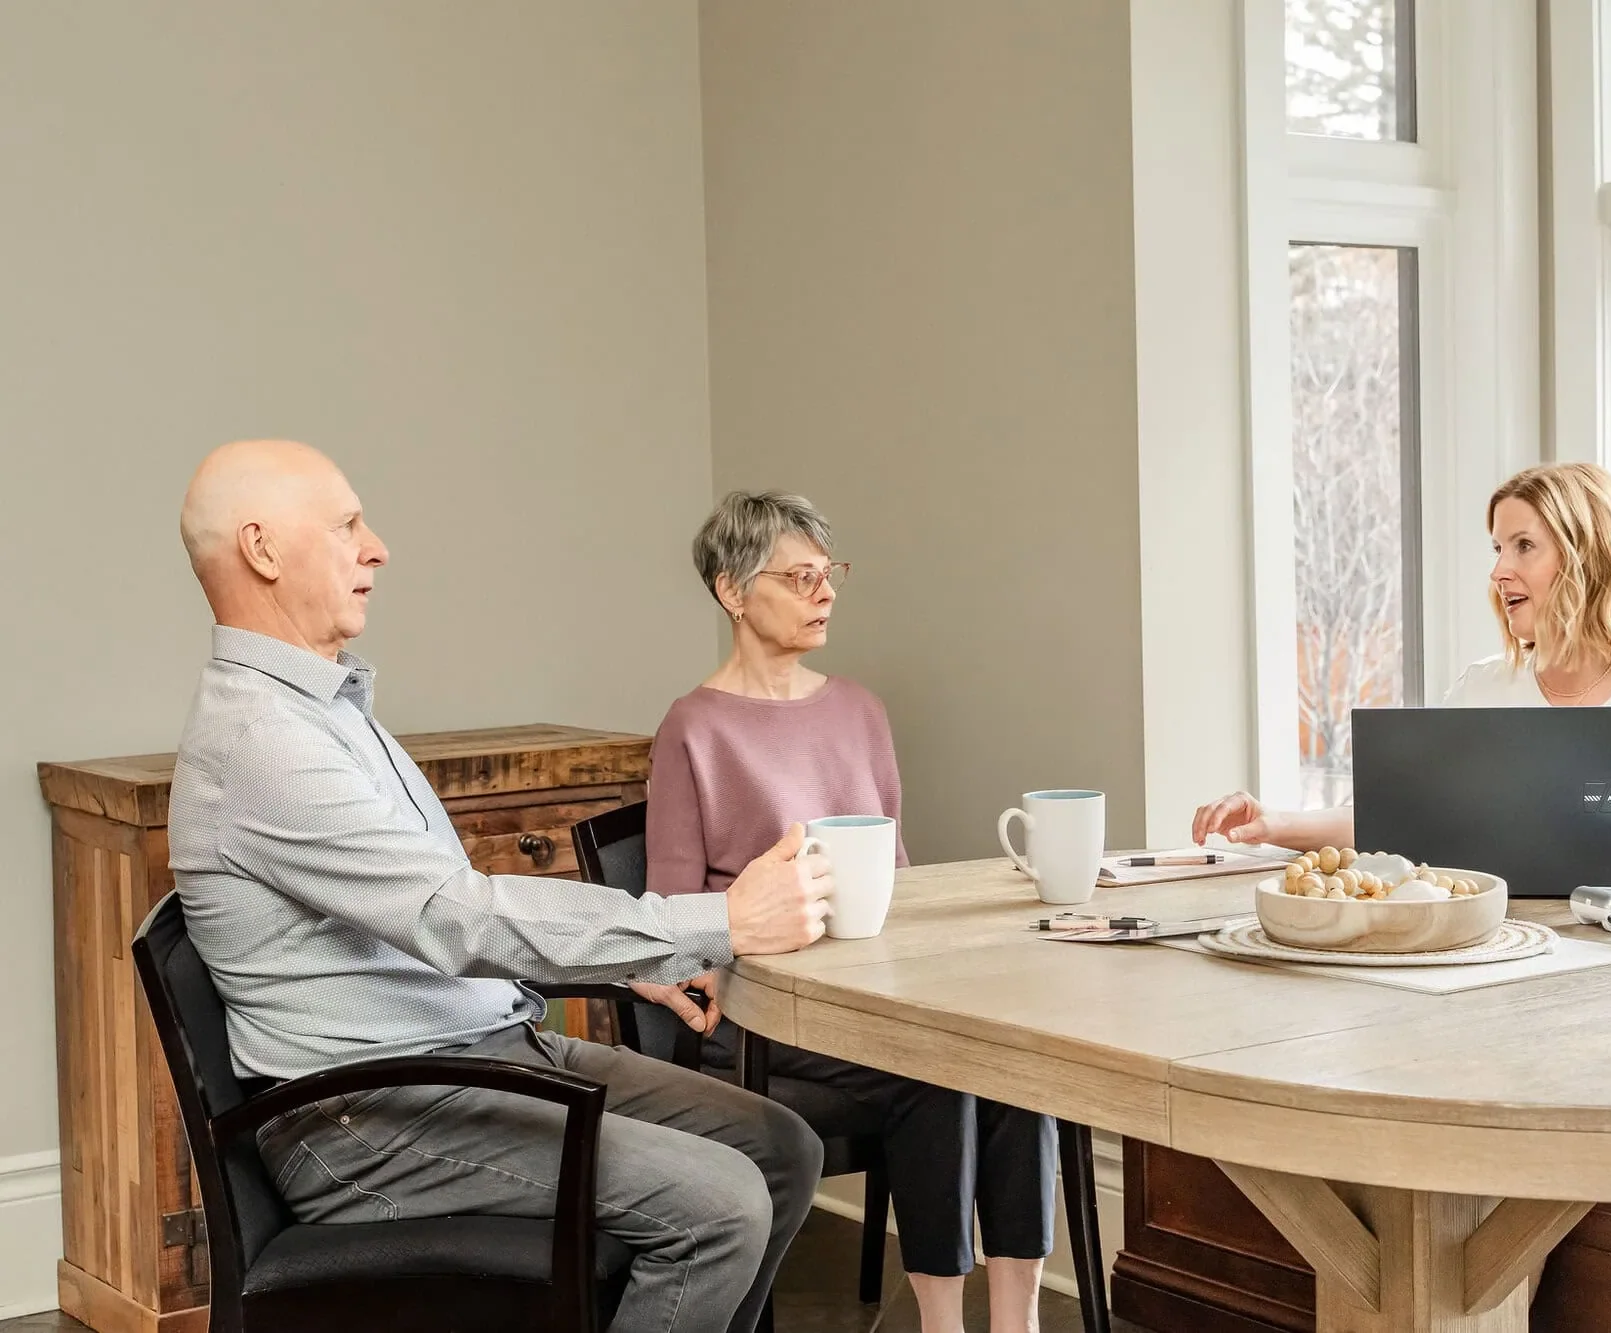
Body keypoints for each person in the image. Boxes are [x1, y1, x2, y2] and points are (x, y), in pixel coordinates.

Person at [168, 440, 832, 1333]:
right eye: (348, 524)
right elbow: (457, 917)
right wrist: (722, 920)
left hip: (475, 1055)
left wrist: (620, 961)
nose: (377, 547)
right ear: (262, 549)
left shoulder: (320, 711)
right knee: (720, 1204)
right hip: (366, 1118)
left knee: (781, 1147)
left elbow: (442, 905)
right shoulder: (261, 744)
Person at [647, 491, 1056, 1333]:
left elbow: (895, 875)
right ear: (732, 590)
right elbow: (676, 910)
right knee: (938, 1068)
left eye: (828, 574)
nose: (824, 591)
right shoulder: (692, 727)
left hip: (878, 985)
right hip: (763, 1004)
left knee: (1021, 1061)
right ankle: (942, 1321)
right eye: (800, 577)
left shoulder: (859, 709)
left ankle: (1017, 1320)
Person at [1194, 461, 1611, 871]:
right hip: (1489, 964)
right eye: (1497, 550)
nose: (1499, 573)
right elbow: (1395, 820)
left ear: (1590, 556)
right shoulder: (1483, 689)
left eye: (1524, 546)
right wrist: (1272, 823)